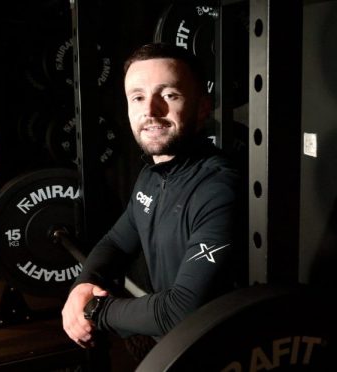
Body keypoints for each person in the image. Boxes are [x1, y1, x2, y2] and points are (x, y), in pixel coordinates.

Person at [61, 42, 243, 349]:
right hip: (172, 344)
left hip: (216, 350)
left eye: (169, 95)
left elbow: (181, 311)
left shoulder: (218, 187)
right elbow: (117, 242)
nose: (149, 110)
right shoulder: (150, 176)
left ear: (202, 107)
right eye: (138, 97)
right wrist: (84, 284)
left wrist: (93, 310)